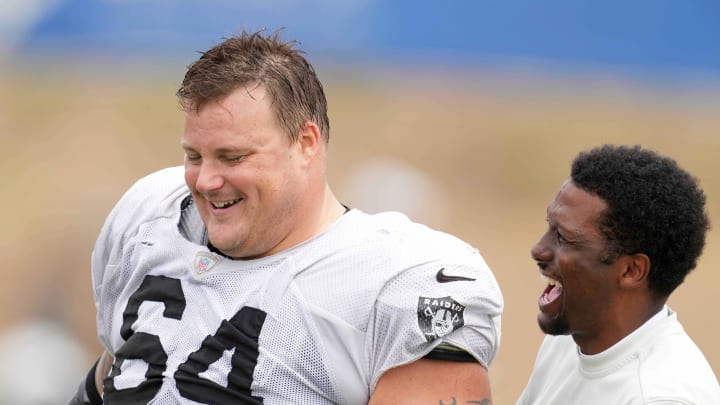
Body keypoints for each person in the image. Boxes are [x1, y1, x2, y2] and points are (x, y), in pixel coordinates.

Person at [66, 29, 503, 405]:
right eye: (194, 156)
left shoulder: (398, 281)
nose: (206, 181)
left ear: (306, 142)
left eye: (232, 156)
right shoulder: (150, 215)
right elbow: (121, 372)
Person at [517, 144, 720, 404]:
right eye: (549, 227)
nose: (538, 250)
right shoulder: (570, 341)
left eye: (564, 238)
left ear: (631, 271)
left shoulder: (659, 397)